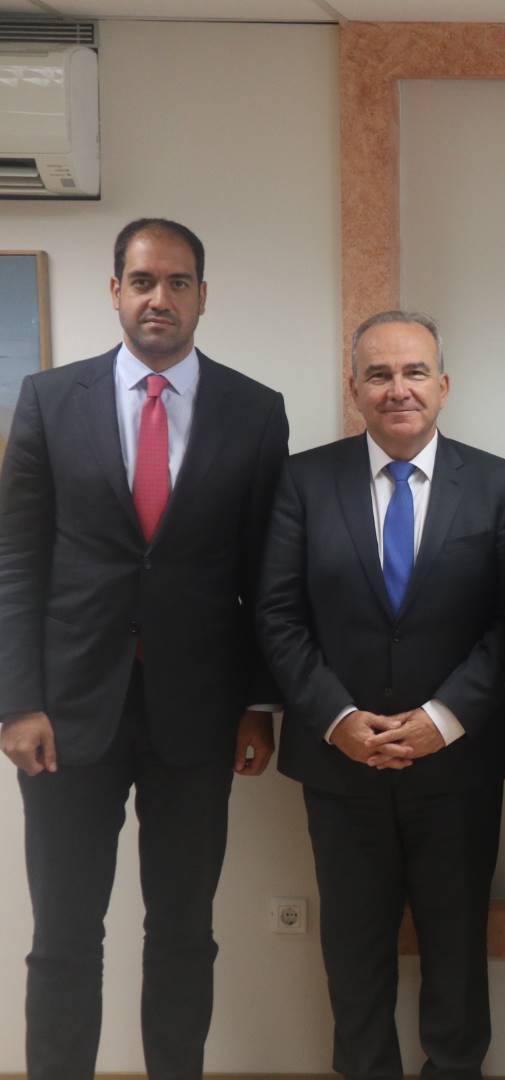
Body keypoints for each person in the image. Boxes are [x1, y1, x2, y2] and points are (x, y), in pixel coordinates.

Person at [0, 218, 287, 1079]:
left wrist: (258, 704)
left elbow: (266, 573)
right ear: (116, 291)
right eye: (142, 280)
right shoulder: (50, 400)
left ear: (203, 296)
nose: (159, 297)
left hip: (198, 716)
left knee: (184, 933)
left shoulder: (254, 410)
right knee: (63, 935)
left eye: (177, 282)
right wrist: (16, 701)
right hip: (65, 714)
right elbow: (16, 561)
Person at [256, 310, 505, 1079]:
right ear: (354, 389)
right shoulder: (304, 480)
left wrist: (444, 718)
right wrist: (336, 717)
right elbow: (277, 615)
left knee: (458, 951)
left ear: (443, 384)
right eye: (379, 374)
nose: (398, 389)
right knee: (354, 952)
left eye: (414, 372)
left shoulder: (499, 483)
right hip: (341, 764)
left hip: (458, 767)